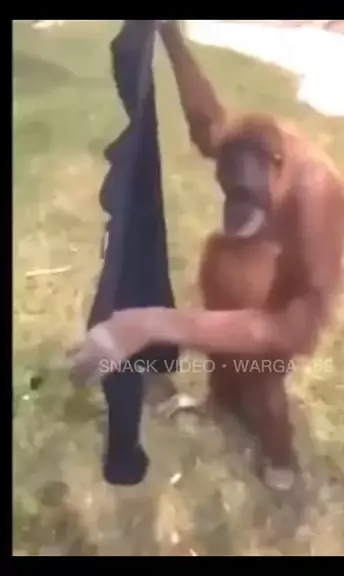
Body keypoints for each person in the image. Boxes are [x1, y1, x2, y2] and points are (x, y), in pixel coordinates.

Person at [87, 20, 178, 485]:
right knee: (119, 287)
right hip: (121, 113)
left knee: (143, 232)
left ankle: (158, 352)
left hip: (132, 94)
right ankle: (122, 449)